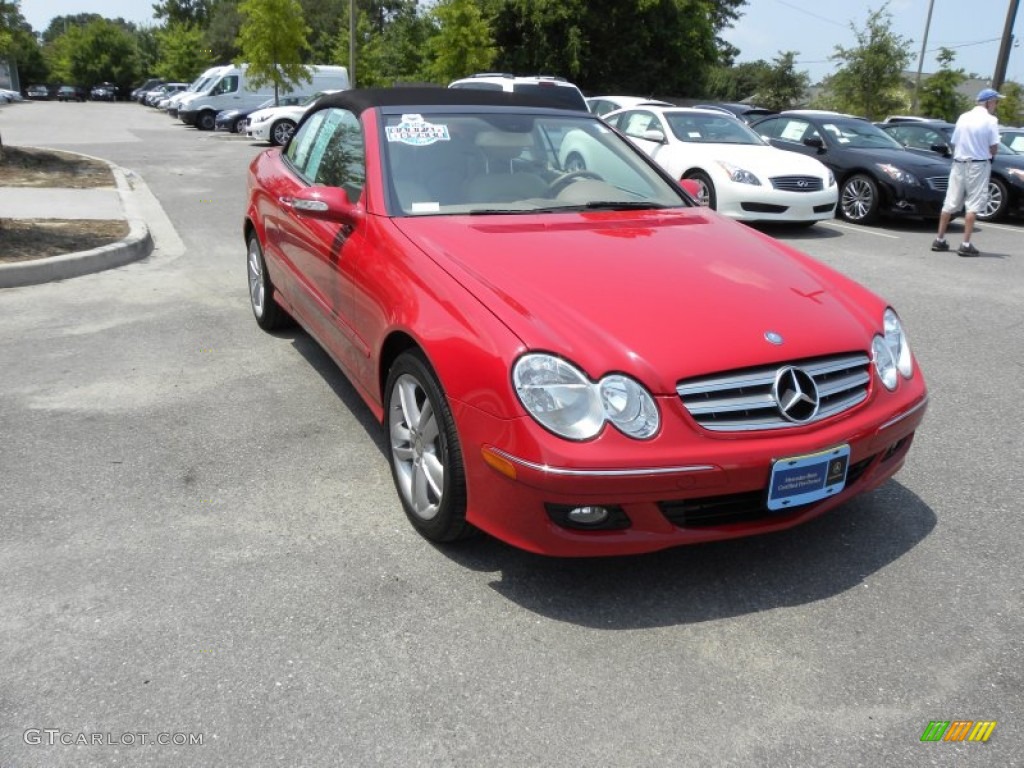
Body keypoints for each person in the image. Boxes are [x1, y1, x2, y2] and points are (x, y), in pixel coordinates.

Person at [931, 88, 1003, 256]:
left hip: (959, 162)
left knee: (951, 200)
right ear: (989, 102)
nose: (996, 105)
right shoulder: (991, 120)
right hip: (978, 164)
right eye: (995, 102)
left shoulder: (963, 117)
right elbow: (994, 148)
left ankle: (939, 239)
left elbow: (955, 142)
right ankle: (965, 243)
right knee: (973, 203)